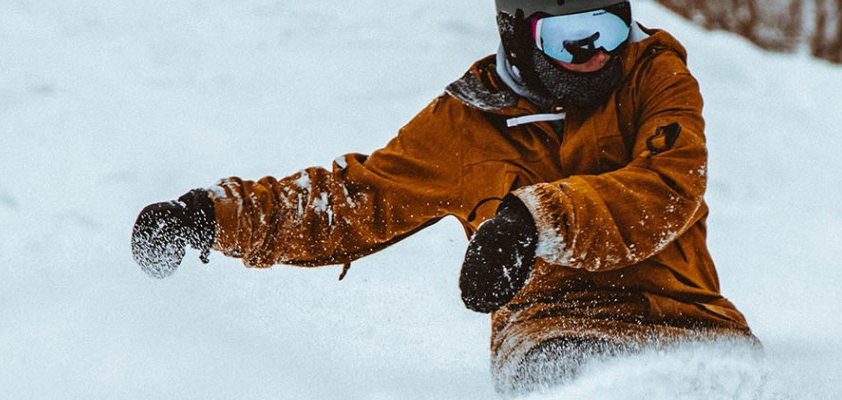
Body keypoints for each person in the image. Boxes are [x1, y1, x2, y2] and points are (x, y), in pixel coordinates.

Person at [129, 0, 754, 394]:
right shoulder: (466, 125)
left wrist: (533, 220)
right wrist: (211, 217)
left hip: (691, 321)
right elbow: (355, 200)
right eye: (569, 40)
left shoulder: (655, 76)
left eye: (609, 30)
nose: (596, 57)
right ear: (517, 35)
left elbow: (668, 189)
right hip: (554, 335)